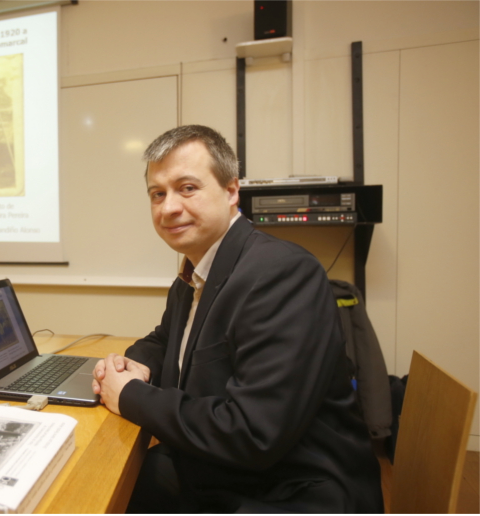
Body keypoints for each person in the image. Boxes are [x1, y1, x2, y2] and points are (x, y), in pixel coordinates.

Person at [92, 125, 383, 513]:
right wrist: (134, 363)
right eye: (157, 194)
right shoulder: (194, 273)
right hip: (233, 470)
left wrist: (129, 395)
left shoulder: (281, 273)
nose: (168, 207)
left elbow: (252, 433)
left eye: (187, 188)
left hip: (293, 491)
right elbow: (167, 338)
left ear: (231, 191)